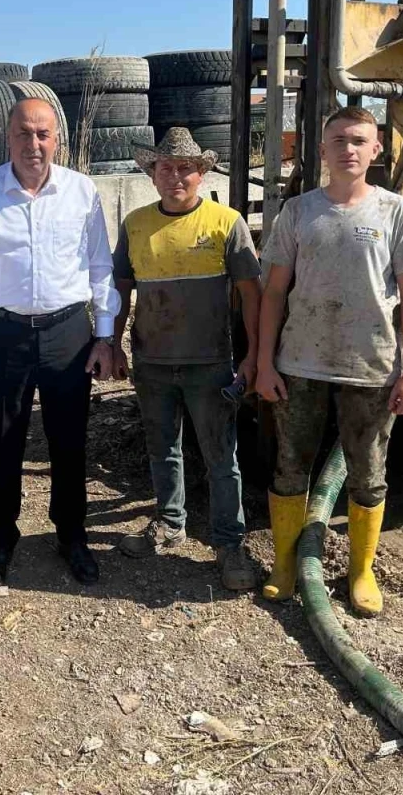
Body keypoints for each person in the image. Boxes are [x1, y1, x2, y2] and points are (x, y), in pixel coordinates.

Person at [254, 105, 403, 616]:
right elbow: (273, 293)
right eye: (338, 141)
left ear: (375, 150)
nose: (348, 149)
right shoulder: (298, 212)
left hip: (370, 364)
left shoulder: (395, 212)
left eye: (358, 141)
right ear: (322, 150)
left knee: (367, 474)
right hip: (299, 363)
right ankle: (285, 564)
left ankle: (360, 570)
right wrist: (264, 363)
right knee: (290, 467)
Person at [0, 98, 118, 590]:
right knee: (3, 442)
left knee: (69, 441)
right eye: (24, 133)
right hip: (4, 335)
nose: (33, 144)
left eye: (43, 133)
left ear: (56, 139)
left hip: (68, 333)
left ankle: (71, 536)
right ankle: (1, 541)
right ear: (9, 137)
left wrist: (105, 336)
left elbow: (100, 267)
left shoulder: (81, 192)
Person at [110, 128, 262, 590]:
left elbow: (251, 295)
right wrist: (112, 344)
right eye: (166, 168)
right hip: (152, 362)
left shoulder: (226, 222)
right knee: (162, 448)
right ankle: (169, 522)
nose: (175, 176)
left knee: (221, 457)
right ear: (152, 175)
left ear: (201, 174)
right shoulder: (135, 225)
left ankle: (230, 544)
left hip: (210, 364)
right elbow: (120, 291)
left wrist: (254, 355)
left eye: (185, 168)